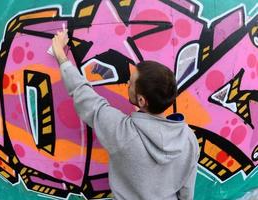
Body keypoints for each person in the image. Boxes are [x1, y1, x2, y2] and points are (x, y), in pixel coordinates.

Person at [52, 29, 199, 200]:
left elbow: (85, 96)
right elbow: (186, 192)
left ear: (142, 101)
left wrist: (61, 57)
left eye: (132, 83)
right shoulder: (188, 139)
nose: (128, 82)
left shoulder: (123, 133)